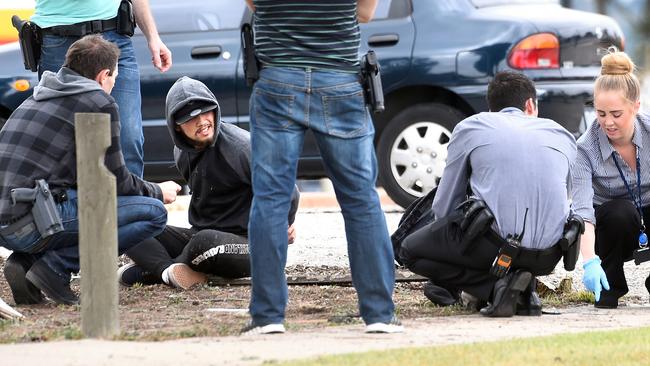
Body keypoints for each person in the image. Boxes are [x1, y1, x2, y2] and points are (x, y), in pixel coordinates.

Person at [242, 0, 402, 335]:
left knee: (271, 199)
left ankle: (268, 316)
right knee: (360, 199)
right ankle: (379, 315)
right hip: (340, 79)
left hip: (277, 78)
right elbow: (366, 13)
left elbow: (255, 5)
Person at [0, 35, 180, 306]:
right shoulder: (97, 102)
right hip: (30, 224)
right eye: (114, 78)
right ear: (102, 75)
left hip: (7, 225)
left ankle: (26, 264)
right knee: (152, 213)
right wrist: (157, 190)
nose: (113, 84)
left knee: (82, 204)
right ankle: (55, 268)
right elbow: (116, 180)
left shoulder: (39, 96)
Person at [398, 71, 578, 317]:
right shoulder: (562, 134)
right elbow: (563, 198)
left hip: (495, 248)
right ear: (530, 105)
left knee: (409, 249)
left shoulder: (473, 127)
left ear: (491, 108)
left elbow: (444, 207)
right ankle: (524, 288)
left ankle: (494, 288)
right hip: (550, 254)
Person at [117, 77, 299, 289]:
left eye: (206, 112)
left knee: (204, 242)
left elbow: (288, 189)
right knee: (127, 224)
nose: (202, 121)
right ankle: (167, 272)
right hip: (200, 238)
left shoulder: (242, 148)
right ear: (177, 126)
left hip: (252, 244)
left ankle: (155, 270)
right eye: (191, 118)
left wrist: (283, 223)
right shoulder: (181, 152)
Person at [30, 0, 172, 177]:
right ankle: (68, 204)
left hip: (114, 35)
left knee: (128, 139)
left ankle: (132, 204)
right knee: (61, 142)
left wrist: (153, 37)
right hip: (59, 38)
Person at [572, 49, 650, 309]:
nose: (608, 122)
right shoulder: (585, 149)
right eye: (601, 113)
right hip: (613, 227)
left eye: (616, 114)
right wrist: (589, 261)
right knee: (620, 211)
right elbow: (583, 213)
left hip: (647, 212)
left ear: (636, 106)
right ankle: (610, 285)